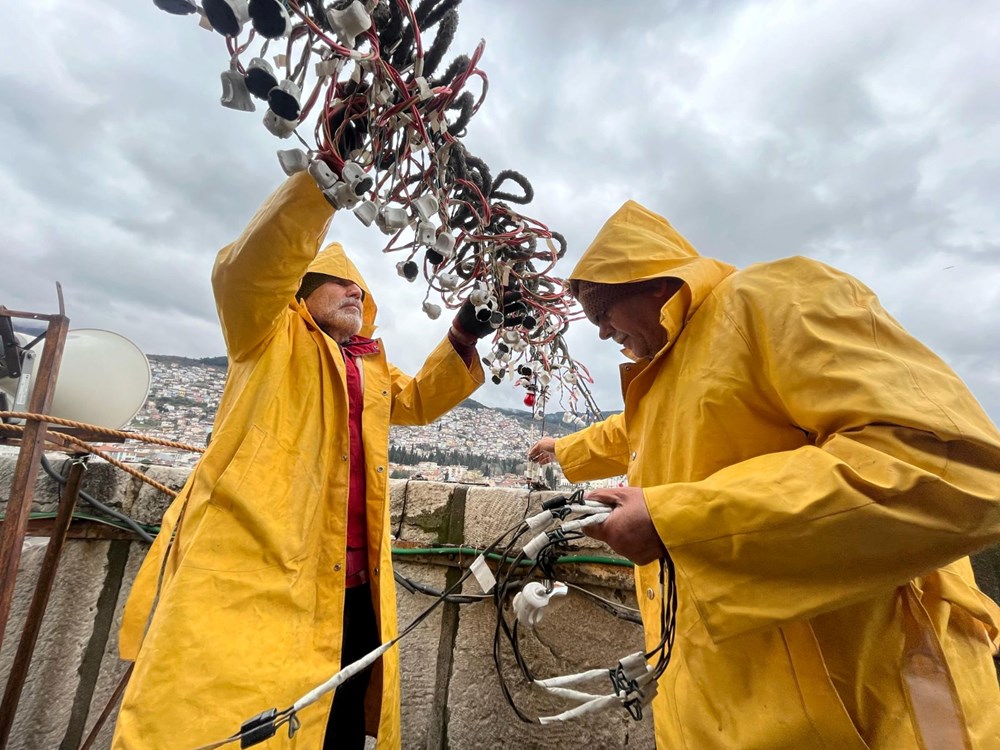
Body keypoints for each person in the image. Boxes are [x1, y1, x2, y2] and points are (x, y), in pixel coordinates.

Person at [529, 200, 1000, 749]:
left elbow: (947, 464)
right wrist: (561, 449)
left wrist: (675, 521)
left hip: (867, 707)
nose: (603, 334)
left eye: (604, 315)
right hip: (728, 707)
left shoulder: (769, 298)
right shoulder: (664, 376)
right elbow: (630, 433)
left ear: (657, 285)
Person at [113, 171, 491, 749]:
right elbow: (251, 271)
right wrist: (320, 184)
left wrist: (463, 335)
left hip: (353, 588)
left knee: (335, 726)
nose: (354, 296)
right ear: (298, 291)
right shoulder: (266, 334)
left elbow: (415, 400)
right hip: (252, 579)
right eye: (338, 286)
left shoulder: (372, 369)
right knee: (222, 720)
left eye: (360, 293)